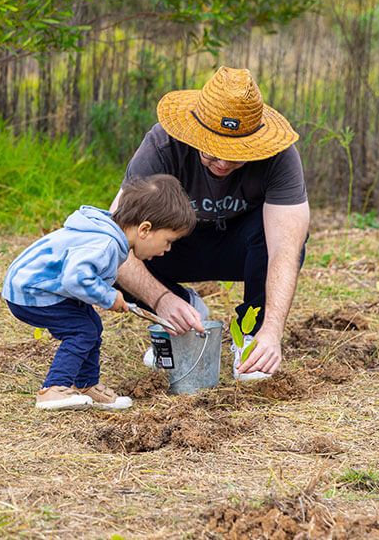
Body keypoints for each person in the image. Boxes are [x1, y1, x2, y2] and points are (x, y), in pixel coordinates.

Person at [112, 66, 310, 381]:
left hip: (242, 249)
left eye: (236, 154)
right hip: (175, 249)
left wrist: (273, 330)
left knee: (289, 236)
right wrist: (163, 300)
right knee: (113, 253)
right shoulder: (162, 148)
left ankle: (252, 341)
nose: (223, 163)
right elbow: (115, 239)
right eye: (213, 151)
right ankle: (181, 314)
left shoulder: (280, 157)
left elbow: (286, 249)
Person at [3, 174, 196, 410]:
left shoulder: (110, 236)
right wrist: (108, 296)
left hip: (45, 287)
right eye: (168, 241)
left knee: (92, 325)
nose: (167, 249)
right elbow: (76, 277)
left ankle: (86, 384)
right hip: (32, 290)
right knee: (81, 330)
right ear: (145, 229)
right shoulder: (106, 243)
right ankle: (53, 390)